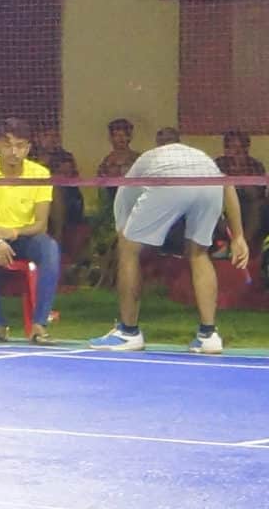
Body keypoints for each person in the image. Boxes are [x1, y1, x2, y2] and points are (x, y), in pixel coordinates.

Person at [96, 137, 245, 354]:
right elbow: (227, 184)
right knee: (199, 253)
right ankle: (208, 335)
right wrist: (238, 237)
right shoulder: (195, 156)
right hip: (210, 183)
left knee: (128, 249)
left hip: (170, 182)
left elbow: (124, 237)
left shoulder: (127, 186)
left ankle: (128, 332)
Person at [0, 118, 61, 341]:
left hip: (25, 238)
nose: (14, 152)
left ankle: (39, 324)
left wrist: (13, 233)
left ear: (28, 148)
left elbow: (41, 225)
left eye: (20, 146)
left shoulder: (40, 175)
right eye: (8, 145)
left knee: (50, 248)